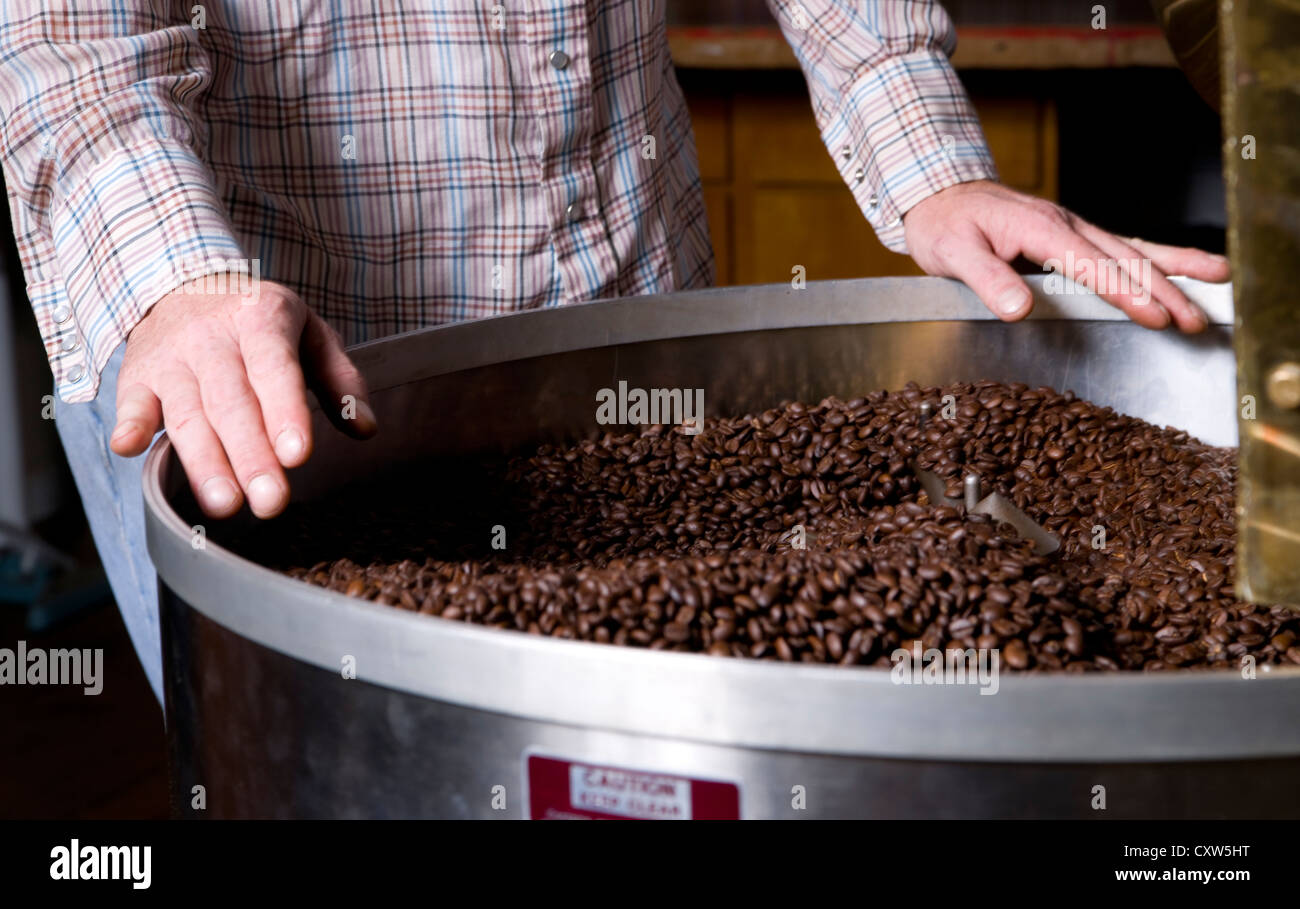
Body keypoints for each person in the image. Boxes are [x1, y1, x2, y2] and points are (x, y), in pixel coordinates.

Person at [0, 1, 1229, 705]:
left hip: (622, 306)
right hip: (260, 349)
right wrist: (181, 276)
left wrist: (925, 152)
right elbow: (67, 43)